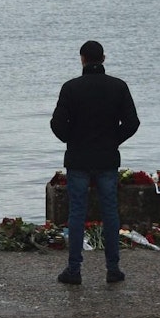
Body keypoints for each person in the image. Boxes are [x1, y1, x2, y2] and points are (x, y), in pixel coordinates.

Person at [50, 40, 140, 285]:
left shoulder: (70, 88)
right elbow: (132, 123)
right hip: (107, 157)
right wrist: (113, 140)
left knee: (77, 213)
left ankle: (74, 269)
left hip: (78, 157)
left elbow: (57, 124)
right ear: (103, 58)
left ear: (82, 59)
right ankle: (113, 268)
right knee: (110, 213)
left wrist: (72, 139)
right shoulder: (118, 87)